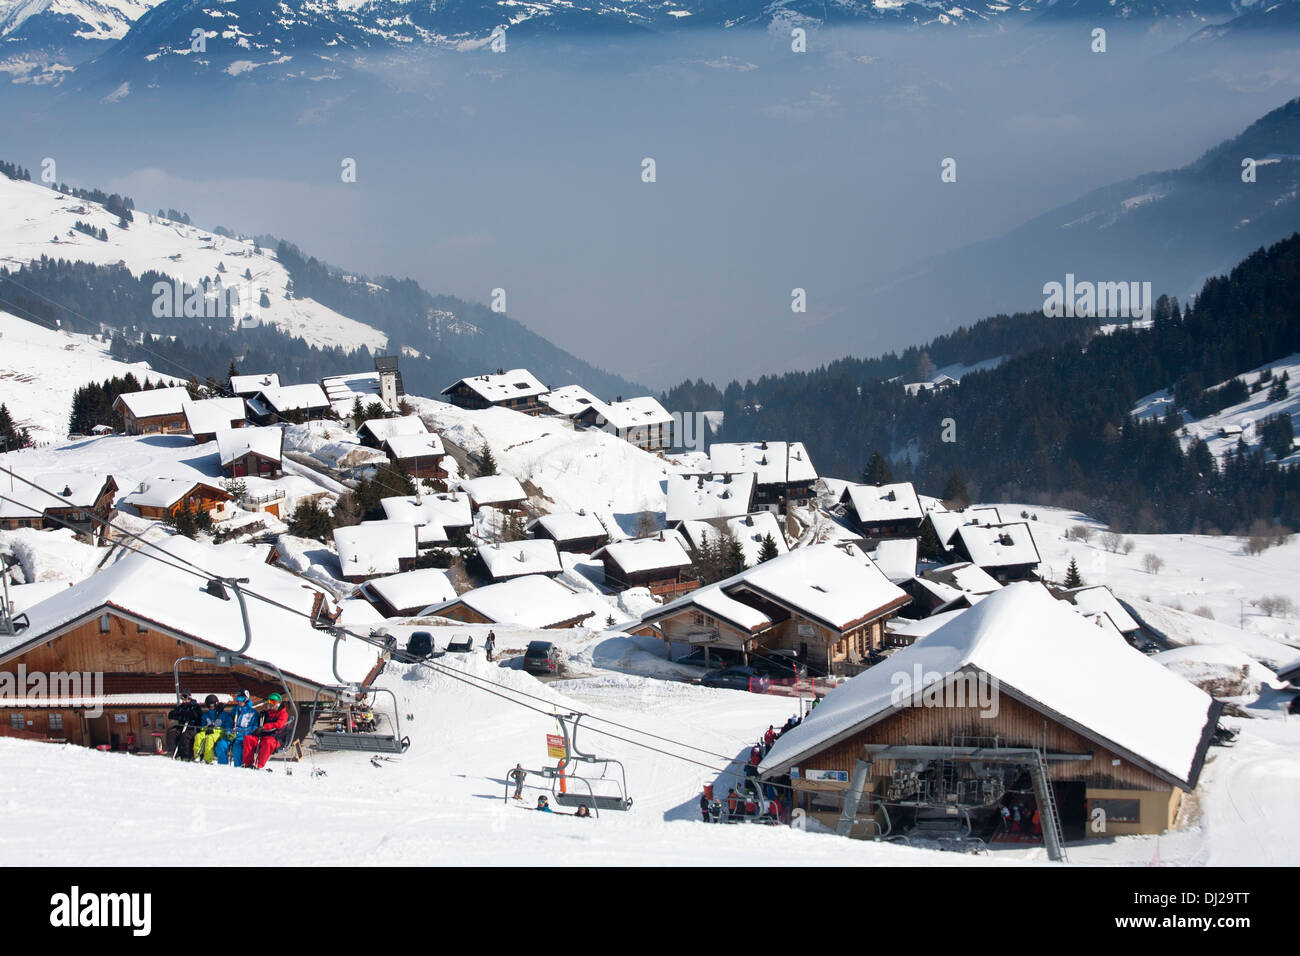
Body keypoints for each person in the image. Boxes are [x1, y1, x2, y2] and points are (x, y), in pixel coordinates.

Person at [242, 692, 290, 769]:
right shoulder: (265, 713)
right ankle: (248, 763)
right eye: (270, 701)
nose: (271, 704)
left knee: (268, 743)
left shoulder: (282, 714)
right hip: (263, 736)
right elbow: (259, 724)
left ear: (278, 703)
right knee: (248, 738)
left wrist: (265, 727)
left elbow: (279, 724)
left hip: (276, 738)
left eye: (273, 702)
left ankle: (259, 765)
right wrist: (257, 729)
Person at [218, 690, 258, 767]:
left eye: (242, 699)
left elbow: (254, 727)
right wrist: (229, 731)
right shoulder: (235, 710)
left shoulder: (253, 713)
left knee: (237, 747)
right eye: (238, 699)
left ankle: (238, 768)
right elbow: (229, 722)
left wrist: (240, 733)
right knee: (221, 744)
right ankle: (222, 767)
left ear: (246, 699)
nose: (239, 701)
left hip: (242, 736)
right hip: (232, 734)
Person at [193, 696, 231, 764]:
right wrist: (206, 728)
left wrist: (215, 730)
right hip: (207, 731)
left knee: (209, 738)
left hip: (219, 733)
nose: (211, 707)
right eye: (209, 706)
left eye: (213, 705)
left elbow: (227, 726)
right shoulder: (206, 715)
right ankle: (197, 755)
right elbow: (202, 725)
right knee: (198, 736)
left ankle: (207, 759)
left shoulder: (223, 714)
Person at [165, 692, 202, 760]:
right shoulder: (181, 707)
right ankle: (175, 752)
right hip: (182, 726)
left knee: (185, 736)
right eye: (182, 698)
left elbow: (196, 715)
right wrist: (178, 715)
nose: (184, 700)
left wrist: (187, 714)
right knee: (172, 733)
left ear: (189, 697)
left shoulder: (195, 706)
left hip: (192, 728)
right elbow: (171, 714)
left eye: (185, 698)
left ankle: (187, 755)